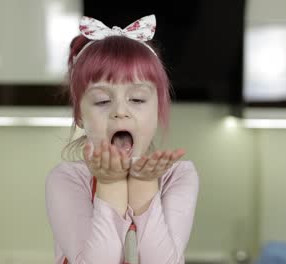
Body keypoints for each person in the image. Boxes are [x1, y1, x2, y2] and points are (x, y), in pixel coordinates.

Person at [45, 14, 200, 264]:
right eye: (102, 101)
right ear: (80, 116)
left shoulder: (179, 176)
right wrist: (110, 184)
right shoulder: (67, 179)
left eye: (137, 99)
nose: (120, 111)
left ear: (157, 109)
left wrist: (144, 186)